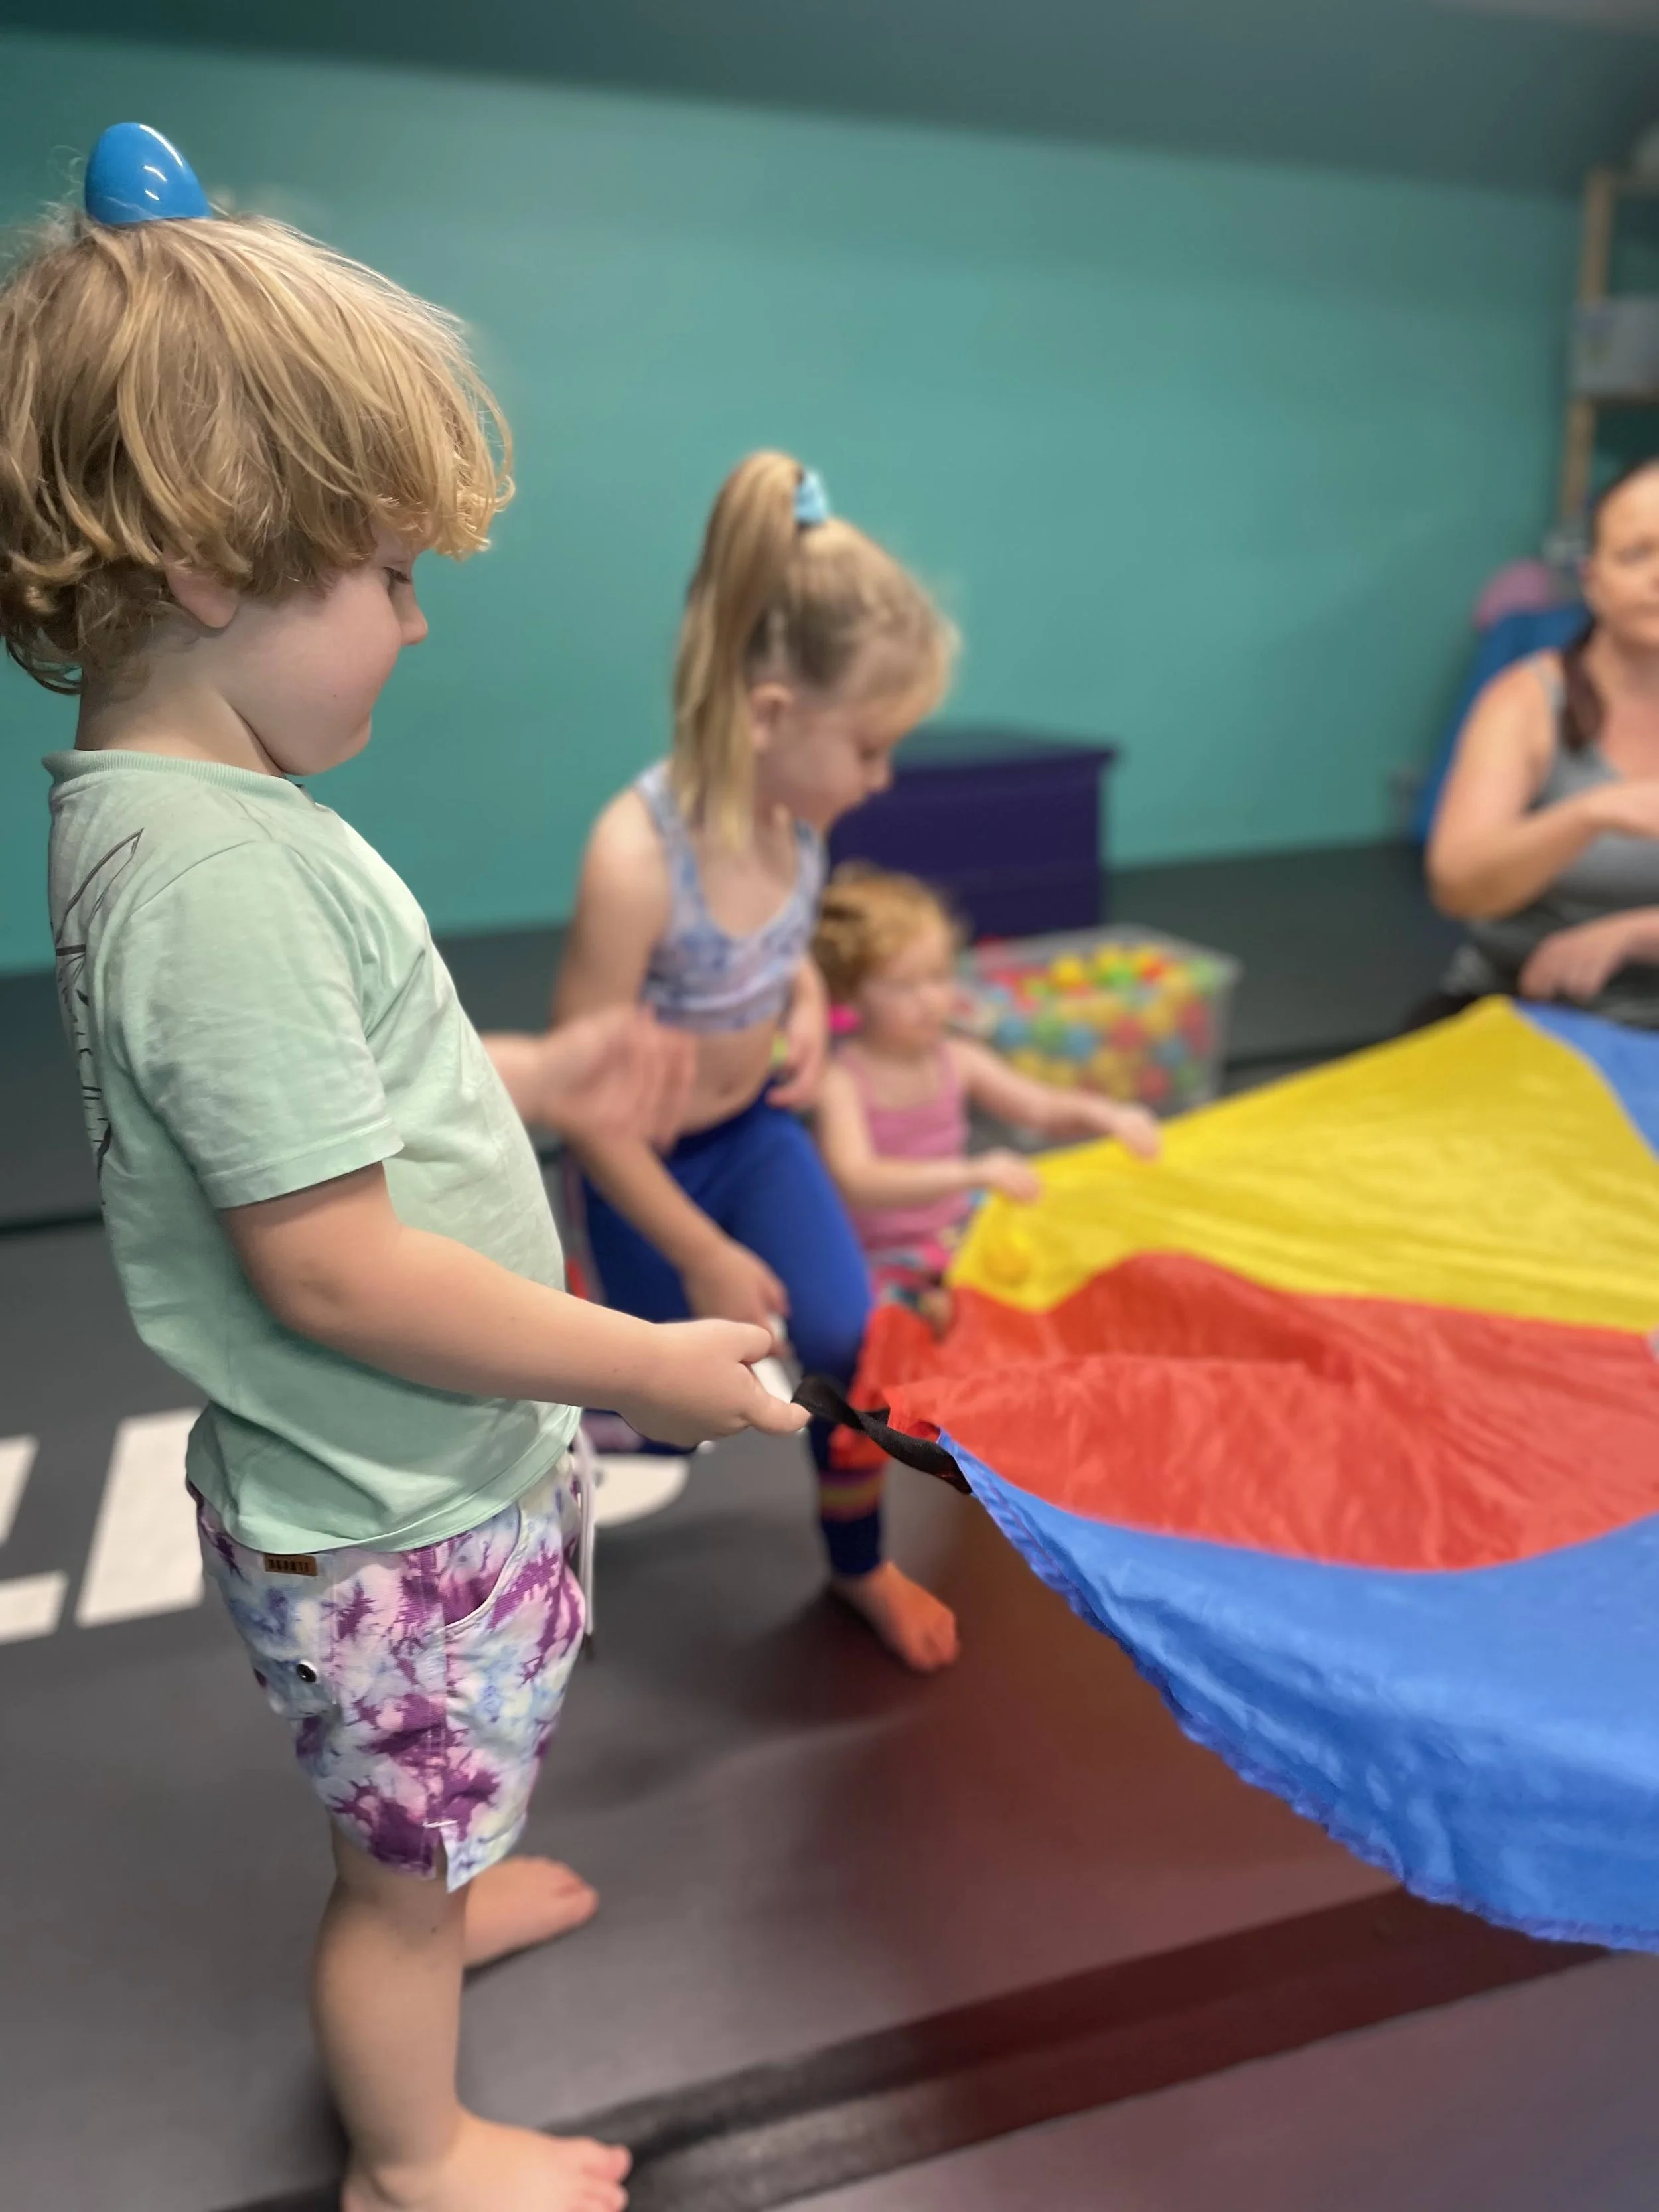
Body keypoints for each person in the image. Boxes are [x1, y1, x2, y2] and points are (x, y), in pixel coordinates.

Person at [1, 146, 809, 2212]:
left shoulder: (196, 812)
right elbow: (339, 1270)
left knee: (434, 1801)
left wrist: (533, 1068)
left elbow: (327, 1095)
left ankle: (443, 1864)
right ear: (204, 566)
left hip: (427, 1481)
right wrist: (636, 1353)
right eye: (384, 574)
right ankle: (414, 2143)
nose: (418, 620)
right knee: (387, 1871)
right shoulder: (215, 877)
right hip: (392, 1506)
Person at [555, 451, 962, 1673]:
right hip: (649, 1169)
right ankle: (559, 1369)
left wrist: (801, 1001)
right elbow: (586, 1099)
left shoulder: (800, 827)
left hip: (756, 1141)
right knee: (674, 1418)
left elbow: (785, 951)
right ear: (776, 714)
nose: (885, 779)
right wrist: (697, 1247)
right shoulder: (636, 860)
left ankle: (859, 1567)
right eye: (874, 748)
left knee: (848, 1342)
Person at [811, 866, 1161, 1331]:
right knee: (890, 1325)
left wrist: (1109, 1115)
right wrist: (971, 1172)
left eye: (939, 977)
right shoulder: (841, 1080)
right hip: (879, 1252)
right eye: (904, 986)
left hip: (957, 1229)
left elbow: (1041, 1108)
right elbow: (858, 1178)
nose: (931, 999)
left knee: (1057, 1253)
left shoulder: (958, 1057)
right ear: (851, 994)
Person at [1425, 457, 1659, 1027]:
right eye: (1637, 554)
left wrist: (1629, 936)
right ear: (1593, 579)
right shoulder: (1527, 702)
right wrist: (1592, 813)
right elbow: (1460, 886)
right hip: (1526, 1013)